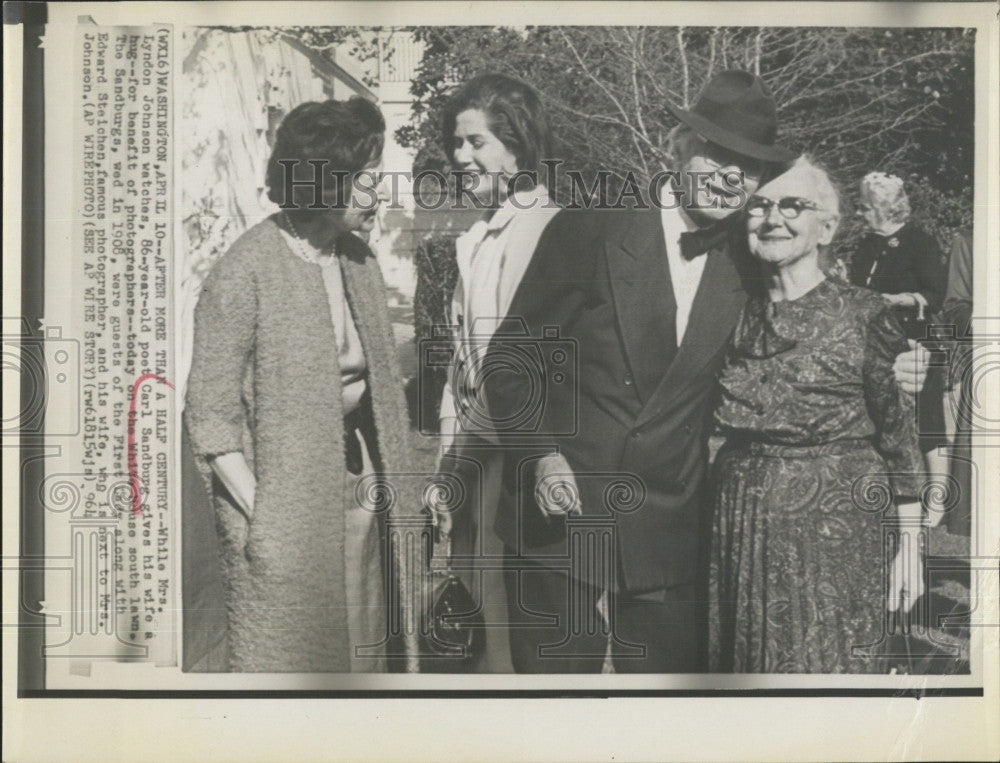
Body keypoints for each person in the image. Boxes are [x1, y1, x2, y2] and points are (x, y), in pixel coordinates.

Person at [484, 70, 930, 674]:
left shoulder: (749, 259)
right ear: (679, 148)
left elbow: (817, 332)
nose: (728, 179)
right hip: (558, 512)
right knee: (555, 712)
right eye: (716, 155)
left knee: (671, 716)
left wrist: (897, 362)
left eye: (746, 169)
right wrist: (539, 454)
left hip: (670, 526)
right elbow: (512, 362)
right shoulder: (590, 228)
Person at [184, 98, 423, 672]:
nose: (380, 195)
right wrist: (267, 518)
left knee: (363, 656)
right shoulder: (246, 269)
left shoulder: (358, 259)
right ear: (328, 181)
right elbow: (210, 423)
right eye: (369, 181)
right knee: (292, 671)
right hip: (283, 513)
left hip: (358, 487)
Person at [709, 157, 927, 673]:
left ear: (827, 227)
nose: (771, 218)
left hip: (837, 527)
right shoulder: (727, 313)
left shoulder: (866, 314)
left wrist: (911, 546)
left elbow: (900, 438)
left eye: (792, 205)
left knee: (830, 669)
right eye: (758, 206)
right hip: (741, 520)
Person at [429, 73, 561, 671]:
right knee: (477, 629)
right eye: (457, 144)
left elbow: (533, 372)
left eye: (477, 142)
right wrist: (449, 469)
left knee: (511, 635)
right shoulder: (479, 235)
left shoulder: (541, 230)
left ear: (518, 145)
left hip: (520, 467)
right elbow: (464, 369)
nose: (460, 157)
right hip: (477, 461)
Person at [849, 172, 949, 466]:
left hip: (916, 342)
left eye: (864, 208)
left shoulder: (919, 242)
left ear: (884, 208)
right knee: (885, 426)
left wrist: (895, 300)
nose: (858, 213)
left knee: (927, 423)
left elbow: (935, 295)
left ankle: (939, 503)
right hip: (876, 345)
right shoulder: (865, 246)